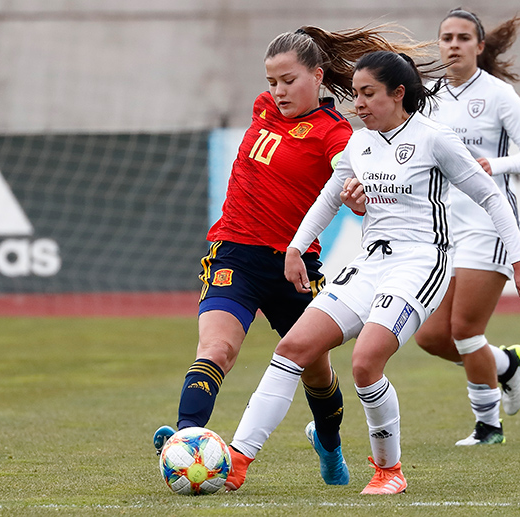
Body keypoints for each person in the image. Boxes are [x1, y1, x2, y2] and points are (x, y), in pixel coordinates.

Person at [224, 50, 520, 495]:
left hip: (420, 262)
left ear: (398, 94)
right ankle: (237, 460)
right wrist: (296, 248)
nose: (358, 104)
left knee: (365, 361)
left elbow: (490, 197)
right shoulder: (360, 143)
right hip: (371, 261)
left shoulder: (436, 138)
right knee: (293, 346)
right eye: (355, 94)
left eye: (368, 94)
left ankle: (388, 471)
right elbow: (329, 198)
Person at [152, 26, 425, 487]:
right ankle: (187, 440)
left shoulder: (334, 133)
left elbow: (359, 174)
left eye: (289, 80)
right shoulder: (263, 108)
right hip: (233, 254)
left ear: (317, 77)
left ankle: (329, 445)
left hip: (293, 268)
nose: (277, 91)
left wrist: (359, 192)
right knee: (216, 349)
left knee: (316, 373)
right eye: (272, 81)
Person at [412, 9, 520, 446]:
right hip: (442, 230)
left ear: (479, 47)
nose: (453, 44)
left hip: (487, 226)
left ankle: (488, 427)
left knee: (465, 329)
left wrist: (495, 164)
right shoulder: (427, 96)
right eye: (446, 37)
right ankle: (506, 365)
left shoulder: (498, 95)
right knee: (431, 337)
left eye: (463, 38)